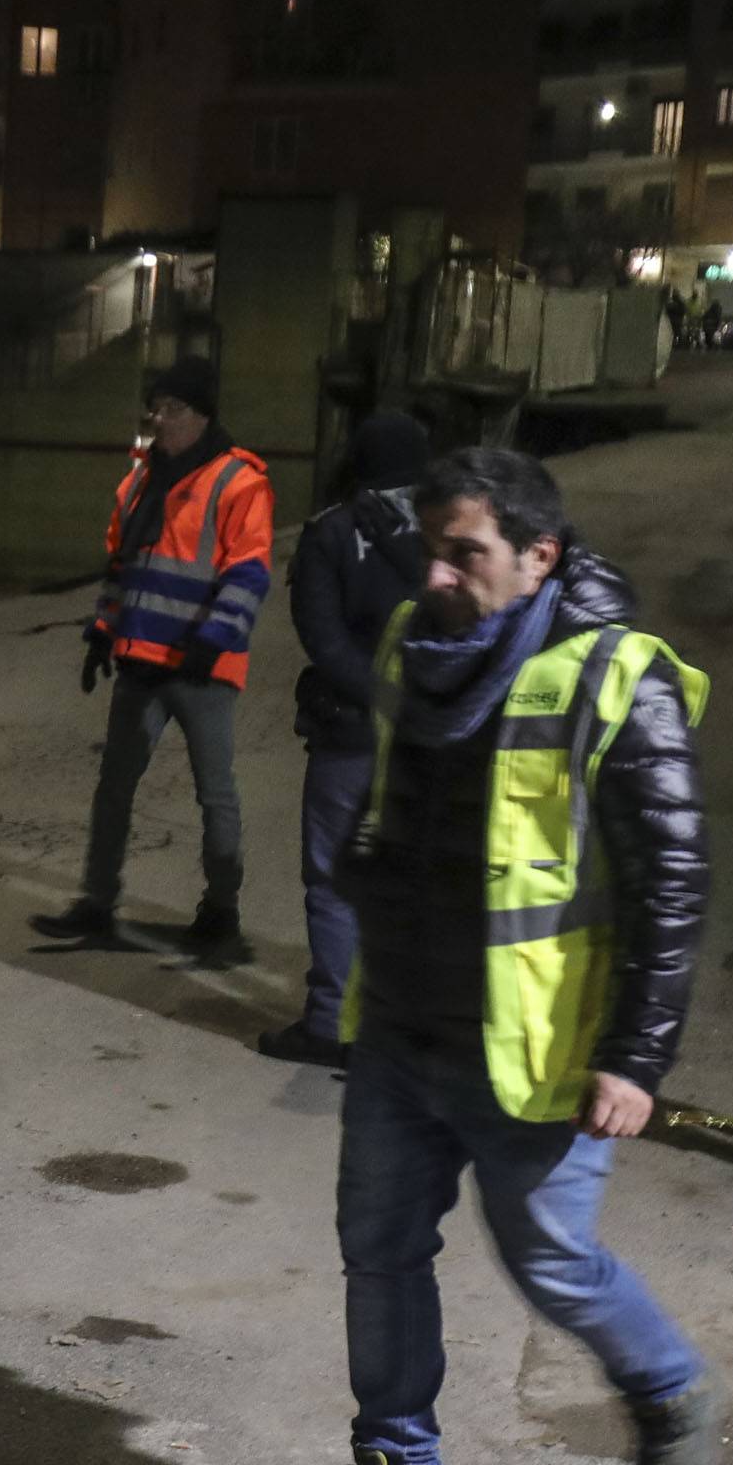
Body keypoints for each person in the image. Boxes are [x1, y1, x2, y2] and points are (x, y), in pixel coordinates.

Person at [261, 447, 719, 1465]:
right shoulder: (414, 646)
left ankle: (668, 1393)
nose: (441, 573)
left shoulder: (618, 674)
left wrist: (637, 1054)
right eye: (433, 549)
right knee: (377, 1252)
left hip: (532, 1049)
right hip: (401, 1028)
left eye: (467, 553)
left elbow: (673, 878)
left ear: (539, 556)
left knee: (552, 1261)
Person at [32, 356, 274, 957]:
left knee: (214, 793)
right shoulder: (140, 481)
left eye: (173, 409)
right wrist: (101, 631)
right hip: (141, 660)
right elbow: (125, 568)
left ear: (201, 416)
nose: (159, 419)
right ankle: (97, 903)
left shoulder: (238, 481)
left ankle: (221, 913)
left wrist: (211, 641)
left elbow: (248, 574)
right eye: (156, 407)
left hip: (200, 669)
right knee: (114, 786)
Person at [258, 411, 430, 1068]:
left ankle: (333, 1023)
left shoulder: (333, 532)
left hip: (352, 733)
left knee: (335, 879)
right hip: (433, 739)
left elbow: (322, 637)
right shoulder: (461, 530)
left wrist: (378, 694)